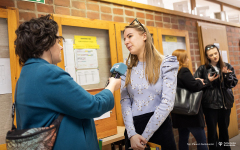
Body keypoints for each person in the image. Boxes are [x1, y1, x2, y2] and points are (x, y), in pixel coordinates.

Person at [14, 14, 121, 150]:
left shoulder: (26, 73)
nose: (61, 47)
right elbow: (94, 105)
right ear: (46, 42)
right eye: (58, 41)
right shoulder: (48, 73)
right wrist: (111, 86)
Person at [120, 18, 178, 150]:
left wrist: (144, 137)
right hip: (133, 131)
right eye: (124, 39)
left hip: (158, 129)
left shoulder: (166, 63)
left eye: (130, 36)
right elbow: (125, 101)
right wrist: (132, 134)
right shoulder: (126, 67)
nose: (126, 42)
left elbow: (167, 103)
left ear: (144, 36)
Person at [194, 44, 238, 150]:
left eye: (215, 53)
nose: (214, 56)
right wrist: (208, 81)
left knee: (224, 132)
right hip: (210, 106)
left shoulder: (226, 66)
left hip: (224, 105)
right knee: (212, 133)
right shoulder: (202, 69)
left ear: (218, 53)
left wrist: (226, 75)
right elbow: (195, 85)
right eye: (211, 55)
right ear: (207, 56)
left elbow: (233, 83)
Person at [171, 49, 208, 150]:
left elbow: (184, 84)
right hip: (190, 114)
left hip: (178, 112)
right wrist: (200, 82)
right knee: (201, 140)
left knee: (183, 138)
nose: (188, 59)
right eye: (186, 57)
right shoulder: (184, 70)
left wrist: (194, 80)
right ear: (182, 59)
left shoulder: (172, 72)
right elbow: (194, 87)